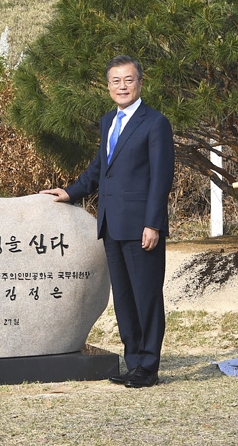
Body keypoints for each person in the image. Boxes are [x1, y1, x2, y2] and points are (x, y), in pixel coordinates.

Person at [42, 55, 175, 389]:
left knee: (147, 296)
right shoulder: (108, 122)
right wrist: (71, 192)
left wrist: (153, 224)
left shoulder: (155, 122)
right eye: (116, 81)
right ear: (108, 87)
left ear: (140, 82)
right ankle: (133, 363)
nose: (122, 86)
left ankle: (148, 366)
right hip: (111, 225)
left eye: (128, 80)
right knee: (125, 299)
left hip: (142, 226)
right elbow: (100, 168)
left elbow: (161, 178)